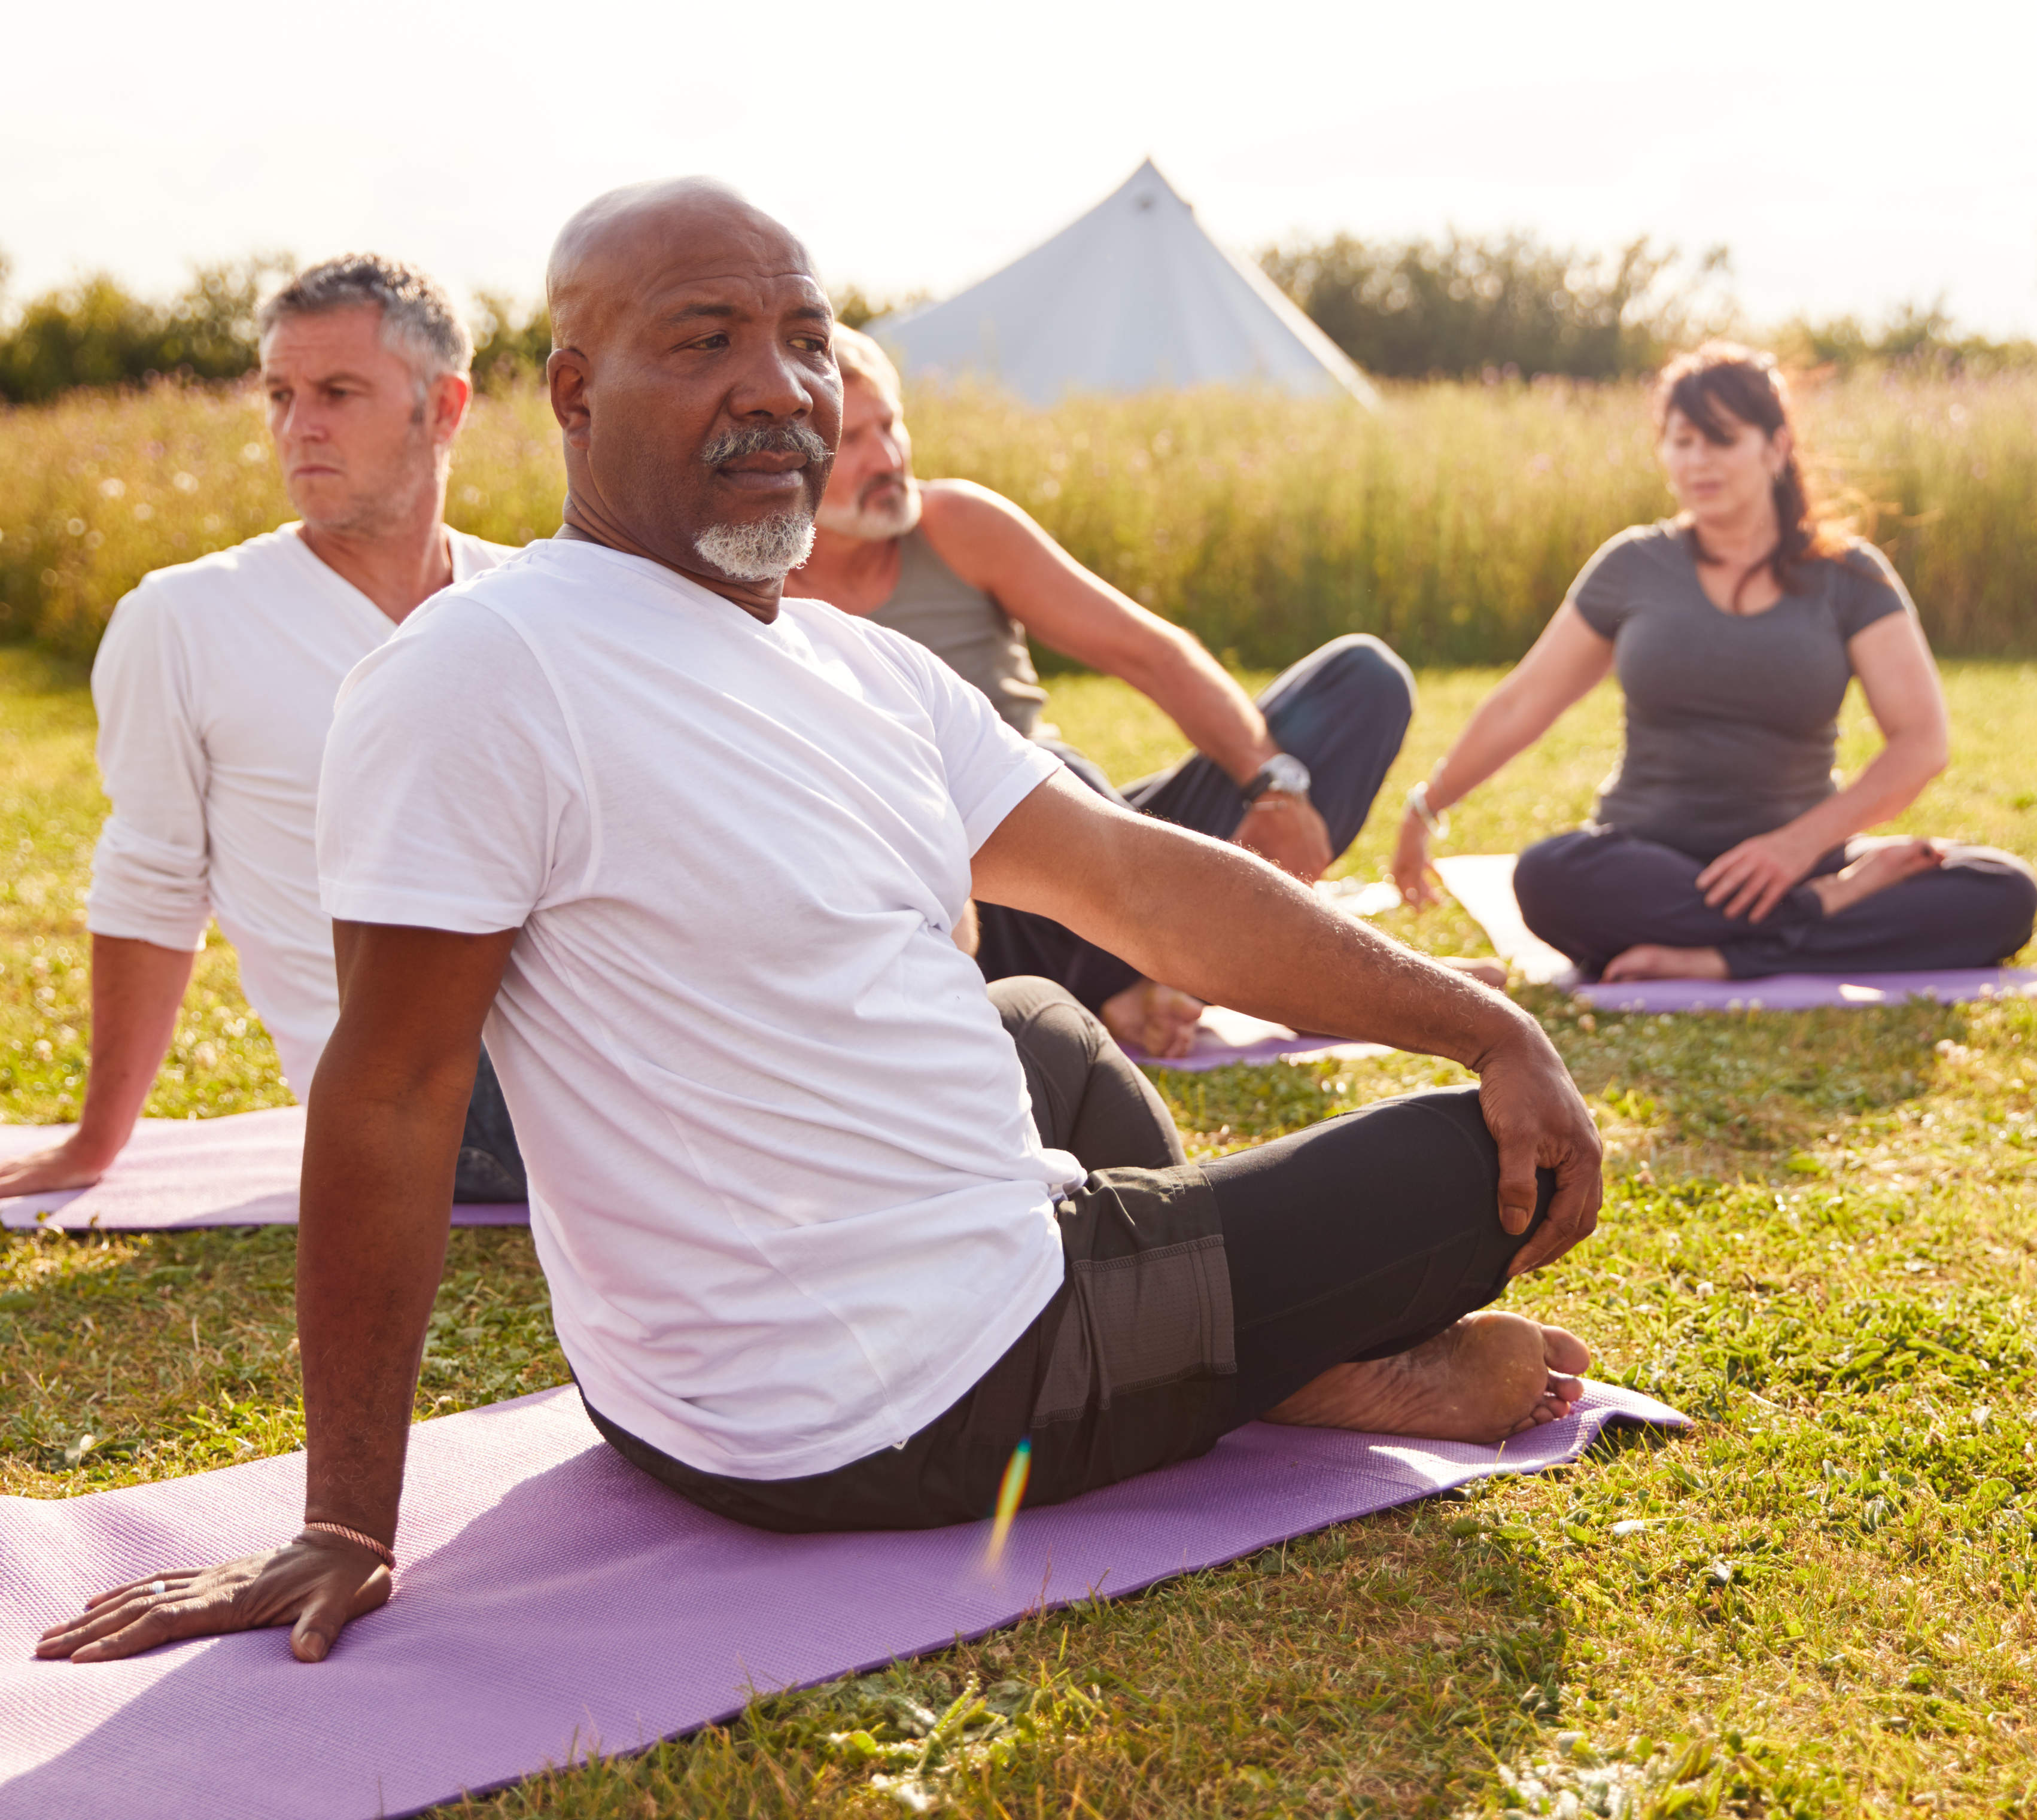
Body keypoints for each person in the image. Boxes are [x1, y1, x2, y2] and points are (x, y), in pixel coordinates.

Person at [38, 179, 1602, 1669]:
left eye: (803, 337)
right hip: (895, 1402)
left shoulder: (855, 670)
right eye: (704, 339)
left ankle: (1259, 1347)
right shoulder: (480, 669)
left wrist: (1480, 1015)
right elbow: (386, 1091)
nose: (777, 385)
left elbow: (1134, 881)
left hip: (731, 1381)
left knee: (1043, 1027)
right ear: (575, 393)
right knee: (1469, 1168)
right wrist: (338, 1519)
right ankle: (1275, 1353)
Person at [0, 255, 527, 1204]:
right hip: (424, 1106)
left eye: (336, 392)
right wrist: (93, 1143)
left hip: (591, 1047)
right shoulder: (184, 618)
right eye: (280, 394)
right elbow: (152, 881)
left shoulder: (530, 598)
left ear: (444, 408)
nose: (298, 426)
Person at [785, 327, 1446, 1060]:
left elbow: (1151, 654)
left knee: (1362, 681)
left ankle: (1155, 986)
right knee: (1029, 788)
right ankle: (1192, 978)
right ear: (789, 457)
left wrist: (1274, 787)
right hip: (961, 900)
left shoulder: (959, 527)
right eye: (853, 442)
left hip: (1092, 851)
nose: (888, 457)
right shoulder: (758, 598)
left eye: (891, 425)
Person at [1391, 342, 2036, 984]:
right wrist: (1426, 808)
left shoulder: (1848, 576)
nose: (1695, 460)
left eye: (1719, 440)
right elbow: (1521, 703)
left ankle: (1718, 955)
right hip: (1647, 862)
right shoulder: (1632, 567)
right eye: (1680, 441)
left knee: (2002, 891)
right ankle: (1818, 916)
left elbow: (1920, 743)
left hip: (1802, 857)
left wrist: (1795, 848)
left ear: (1775, 448)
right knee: (1546, 876)